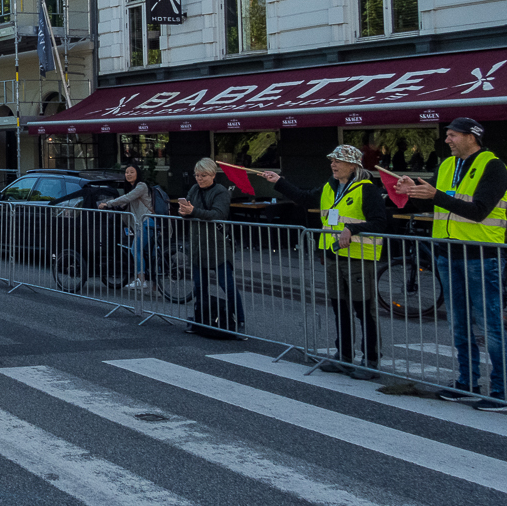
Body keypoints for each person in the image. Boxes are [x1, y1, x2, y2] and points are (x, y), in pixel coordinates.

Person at [399, 118, 506, 411]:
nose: (446, 140)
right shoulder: (446, 165)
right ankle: (467, 382)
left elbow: (479, 211)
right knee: (459, 323)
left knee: (490, 326)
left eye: (453, 135)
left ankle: (501, 390)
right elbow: (433, 204)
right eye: (447, 134)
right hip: (448, 253)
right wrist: (412, 191)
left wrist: (436, 195)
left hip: (482, 255)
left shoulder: (493, 166)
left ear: (472, 137)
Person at [263, 146, 385, 380]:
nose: (333, 164)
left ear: (353, 165)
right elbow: (305, 198)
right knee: (340, 307)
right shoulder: (330, 186)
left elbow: (380, 222)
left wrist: (353, 229)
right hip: (332, 255)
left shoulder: (367, 190)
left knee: (363, 310)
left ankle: (370, 360)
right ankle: (344, 356)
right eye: (332, 160)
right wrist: (279, 181)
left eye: (338, 161)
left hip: (359, 257)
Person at [177, 158, 245, 335]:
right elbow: (190, 212)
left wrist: (193, 212)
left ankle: (240, 320)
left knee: (226, 285)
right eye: (197, 175)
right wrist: (184, 212)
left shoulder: (220, 191)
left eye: (203, 175)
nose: (199, 179)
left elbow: (218, 214)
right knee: (200, 286)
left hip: (218, 246)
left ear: (213, 175)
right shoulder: (193, 189)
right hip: (198, 245)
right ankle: (202, 320)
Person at [100, 165, 155, 291]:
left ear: (138, 174)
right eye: (126, 172)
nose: (128, 174)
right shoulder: (133, 189)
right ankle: (155, 288)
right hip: (144, 223)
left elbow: (127, 198)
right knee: (149, 254)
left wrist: (108, 203)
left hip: (146, 222)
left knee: (135, 250)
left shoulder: (141, 186)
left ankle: (141, 280)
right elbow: (124, 202)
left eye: (131, 172)